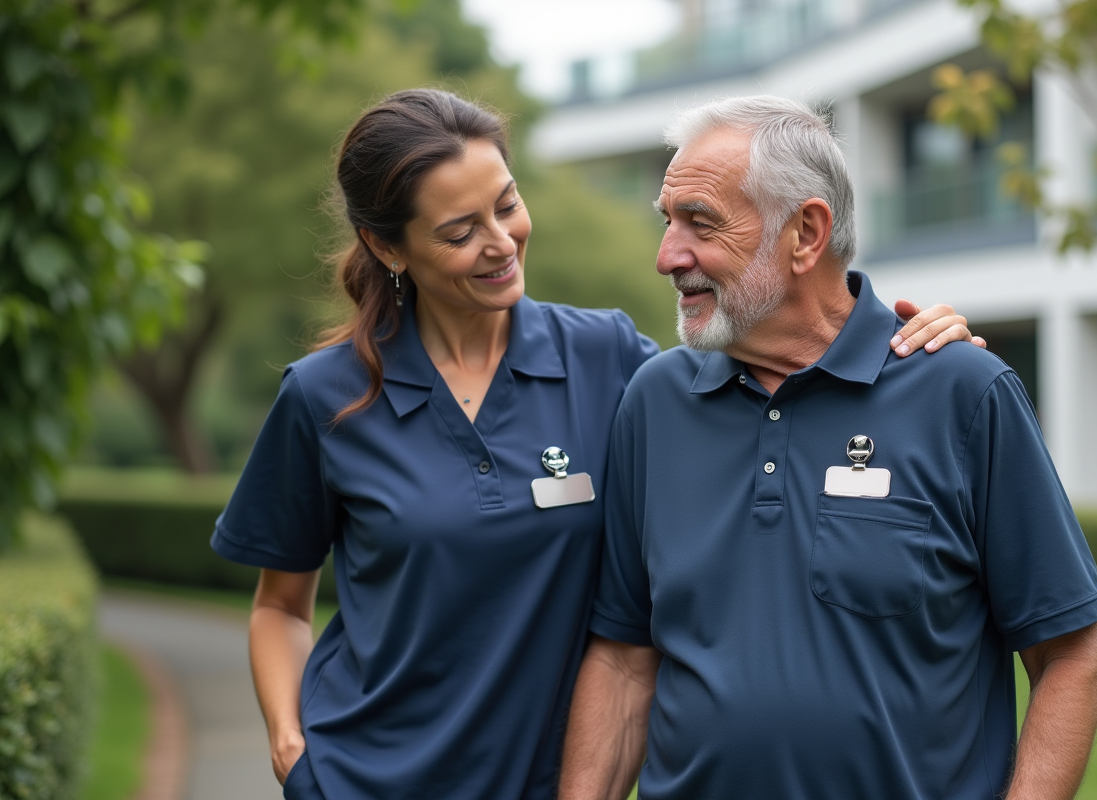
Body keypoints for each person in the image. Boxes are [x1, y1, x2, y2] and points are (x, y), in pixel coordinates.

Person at [209, 89, 983, 800]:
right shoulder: (324, 397)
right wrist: (291, 747)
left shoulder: (612, 360)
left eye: (506, 204)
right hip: (364, 781)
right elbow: (281, 606)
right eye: (458, 230)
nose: (500, 242)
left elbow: (761, 381)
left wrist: (898, 350)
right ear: (389, 249)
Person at [559, 95, 1097, 800]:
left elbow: (1072, 659)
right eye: (668, 222)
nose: (668, 255)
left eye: (700, 223)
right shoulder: (655, 400)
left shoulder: (962, 391)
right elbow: (625, 660)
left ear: (805, 233)